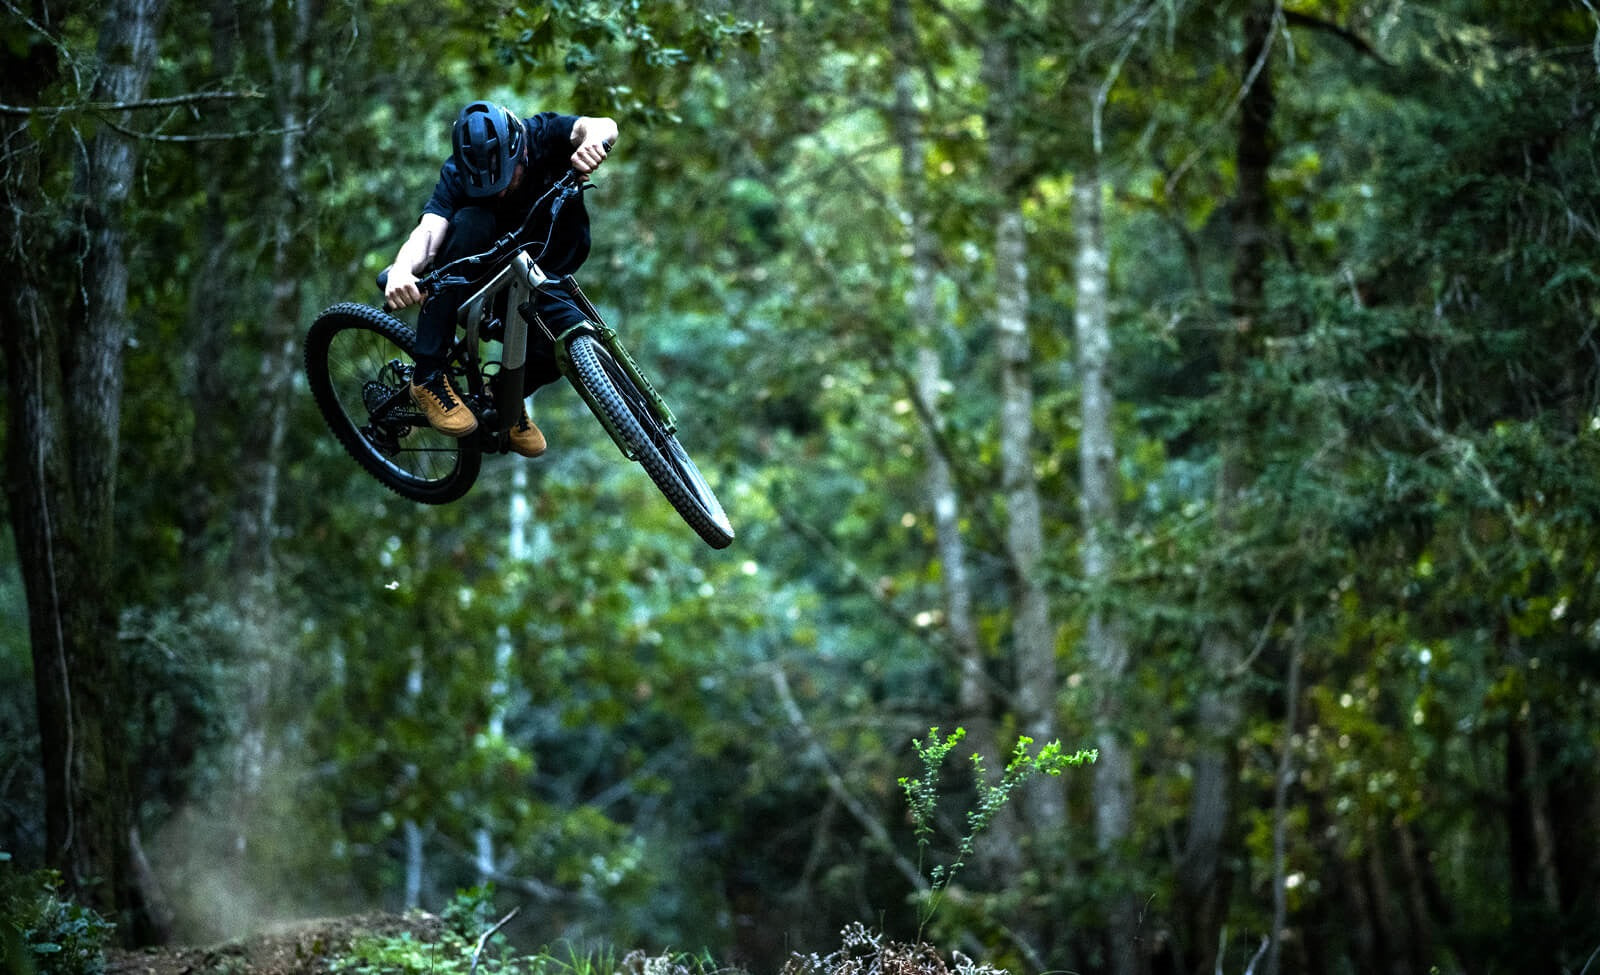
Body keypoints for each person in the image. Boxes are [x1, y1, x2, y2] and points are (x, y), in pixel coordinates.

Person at [384, 100, 619, 457]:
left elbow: (602, 125)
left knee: (571, 336)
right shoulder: (456, 174)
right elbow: (430, 231)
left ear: (521, 151)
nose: (500, 193)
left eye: (507, 179)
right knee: (471, 221)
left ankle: (506, 397)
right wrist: (403, 270)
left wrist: (593, 144)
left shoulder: (541, 135)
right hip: (484, 277)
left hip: (545, 267)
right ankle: (428, 376)